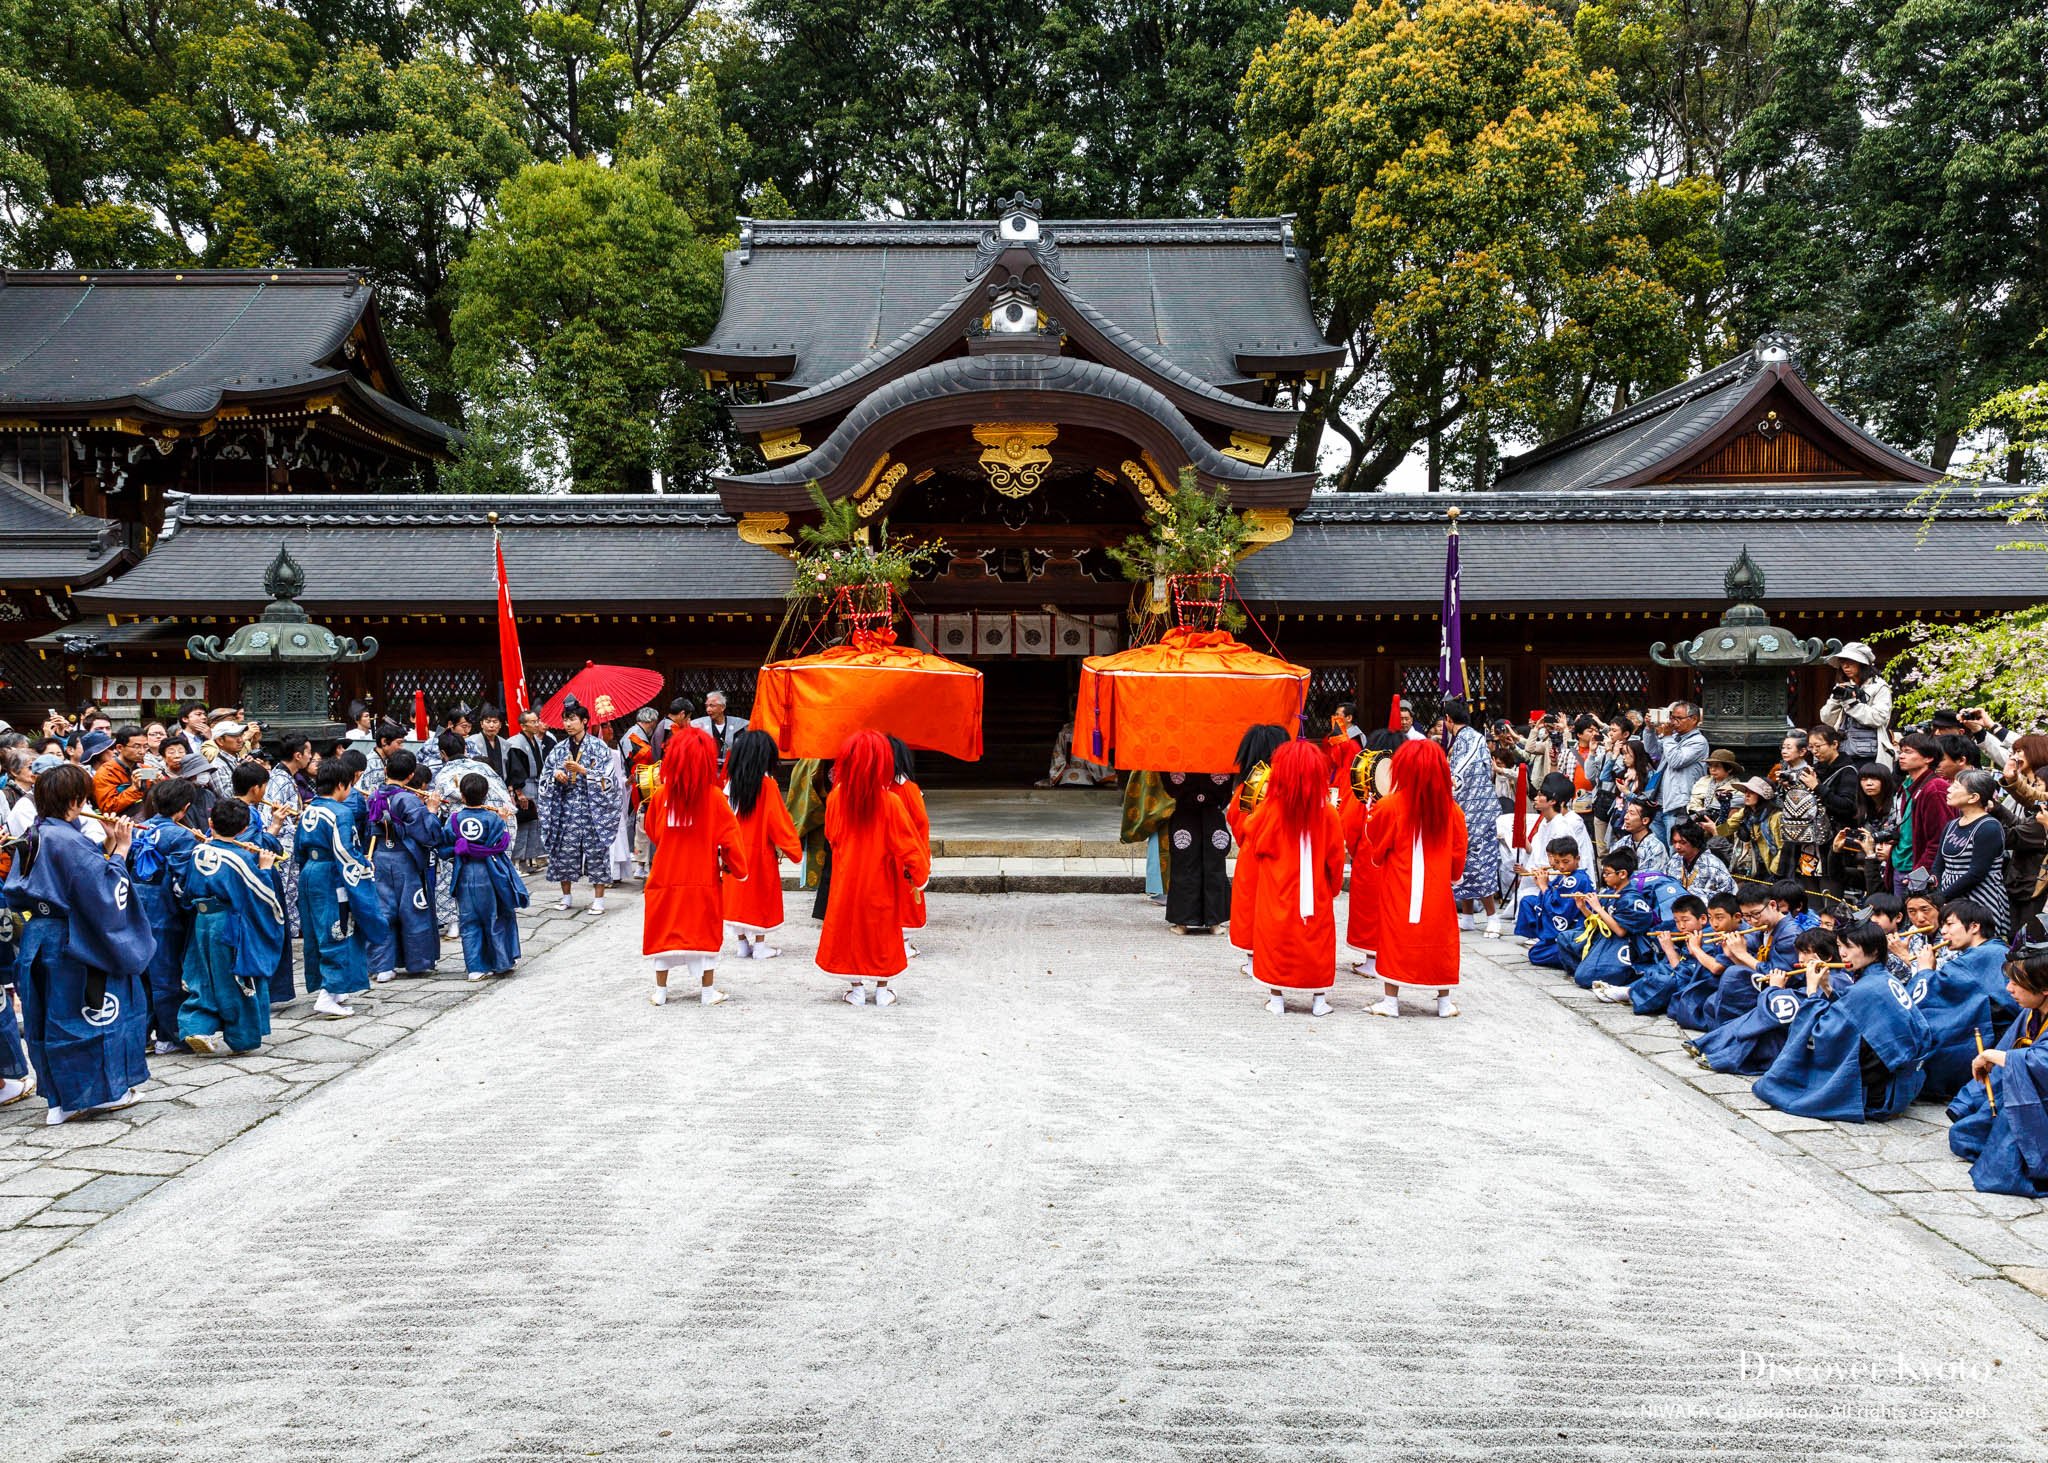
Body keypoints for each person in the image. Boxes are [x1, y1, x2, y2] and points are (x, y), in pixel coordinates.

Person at [3, 762, 155, 1124]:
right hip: (74, 941)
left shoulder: (36, 832)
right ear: (75, 800)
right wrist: (120, 851)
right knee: (88, 1016)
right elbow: (103, 891)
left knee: (50, 1019)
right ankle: (92, 1095)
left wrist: (105, 843)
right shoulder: (67, 839)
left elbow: (61, 879)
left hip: (39, 937)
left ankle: (59, 1099)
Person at [1754, 923, 1934, 1122]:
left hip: (1882, 1090)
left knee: (1784, 1081)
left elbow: (1822, 1032)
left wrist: (1812, 991)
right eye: (1840, 947)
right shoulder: (1884, 978)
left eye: (1849, 947)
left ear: (1873, 950)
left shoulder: (1867, 988)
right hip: (1903, 1083)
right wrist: (1827, 988)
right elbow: (1848, 1011)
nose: (1843, 954)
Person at [816, 731, 929, 1007]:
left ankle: (855, 989)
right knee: (882, 931)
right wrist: (919, 875)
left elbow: (832, 836)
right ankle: (882, 988)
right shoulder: (890, 801)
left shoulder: (836, 798)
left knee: (849, 930)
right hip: (881, 878)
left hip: (846, 878)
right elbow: (908, 844)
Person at [1243, 739, 1346, 1017]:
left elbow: (1251, 833)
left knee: (1276, 938)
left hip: (1277, 889)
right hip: (1315, 890)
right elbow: (1336, 859)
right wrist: (1333, 887)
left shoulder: (1271, 810)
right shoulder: (1329, 813)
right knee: (1317, 940)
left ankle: (1276, 996)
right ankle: (1318, 998)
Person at [1364, 738, 1466, 1018]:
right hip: (1437, 889)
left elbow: (1377, 843)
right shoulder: (1452, 810)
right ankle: (1444, 1002)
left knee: (1395, 936)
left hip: (1400, 884)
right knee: (1441, 938)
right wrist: (1453, 877)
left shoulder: (1390, 805)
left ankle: (1390, 1001)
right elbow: (1458, 854)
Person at [175, 798, 286, 1055]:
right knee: (235, 980)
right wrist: (265, 869)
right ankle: (240, 1037)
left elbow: (186, 888)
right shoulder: (239, 859)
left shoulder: (198, 851)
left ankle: (196, 1026)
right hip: (228, 926)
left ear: (210, 823)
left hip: (201, 922)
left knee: (201, 976)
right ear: (243, 828)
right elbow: (261, 896)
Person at [641, 727, 743, 1005]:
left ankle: (661, 992)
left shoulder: (662, 797)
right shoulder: (714, 798)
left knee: (663, 932)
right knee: (704, 933)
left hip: (665, 875)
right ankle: (707, 992)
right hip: (701, 877)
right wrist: (738, 869)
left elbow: (653, 832)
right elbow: (731, 840)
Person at [1947, 930, 2048, 1198]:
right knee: (1963, 1136)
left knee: (2004, 1171)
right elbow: (2009, 1054)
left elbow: (2041, 1063)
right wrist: (1966, 1102)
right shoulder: (2030, 1012)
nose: (2009, 989)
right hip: (2026, 1098)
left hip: (2041, 1106)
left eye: (2018, 983)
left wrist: (1992, 1056)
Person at [295, 755, 380, 1020]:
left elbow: (299, 847)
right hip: (333, 875)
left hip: (310, 871)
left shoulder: (310, 809)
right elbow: (345, 851)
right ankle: (328, 993)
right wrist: (364, 868)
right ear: (342, 785)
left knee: (318, 930)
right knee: (339, 929)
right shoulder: (341, 813)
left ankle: (336, 988)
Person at [1691, 926, 1840, 1075]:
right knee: (1753, 1015)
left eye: (1806, 953)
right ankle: (1710, 1046)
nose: (1800, 959)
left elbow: (1782, 1009)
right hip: (1799, 1028)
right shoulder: (1827, 976)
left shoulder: (1837, 980)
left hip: (1811, 1041)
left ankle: (1720, 1054)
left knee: (1763, 1027)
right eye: (1799, 953)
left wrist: (1775, 988)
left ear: (1827, 957)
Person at [131, 775, 202, 1055]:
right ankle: (169, 1034)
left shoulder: (138, 828)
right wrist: (189, 906)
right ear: (184, 808)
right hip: (163, 908)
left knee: (143, 974)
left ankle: (143, 1033)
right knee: (167, 974)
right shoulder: (181, 835)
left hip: (136, 905)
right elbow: (182, 880)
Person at [721, 728, 801, 961]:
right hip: (759, 852)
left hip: (733, 852)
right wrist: (794, 850)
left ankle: (742, 943)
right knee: (760, 896)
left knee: (737, 897)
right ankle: (760, 945)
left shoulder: (729, 785)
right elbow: (779, 823)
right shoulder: (768, 786)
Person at [366, 750, 442, 983]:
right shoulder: (407, 799)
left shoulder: (373, 795)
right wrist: (431, 810)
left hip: (380, 855)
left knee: (383, 911)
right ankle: (417, 961)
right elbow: (427, 834)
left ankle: (382, 966)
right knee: (412, 910)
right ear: (411, 775)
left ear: (386, 770)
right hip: (404, 859)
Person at [446, 773, 529, 983]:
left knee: (468, 920)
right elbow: (502, 842)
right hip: (490, 872)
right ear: (485, 796)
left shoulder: (454, 819)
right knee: (495, 916)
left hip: (464, 871)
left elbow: (446, 846)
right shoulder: (493, 818)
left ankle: (474, 967)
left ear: (462, 795)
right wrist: (502, 820)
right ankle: (500, 961)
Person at [539, 697, 619, 915]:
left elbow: (610, 780)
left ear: (584, 721)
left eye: (572, 719)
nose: (567, 724)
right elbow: (545, 777)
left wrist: (584, 771)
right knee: (564, 852)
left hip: (594, 810)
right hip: (567, 809)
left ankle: (599, 899)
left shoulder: (599, 747)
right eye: (565, 720)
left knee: (596, 852)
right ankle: (566, 896)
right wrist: (556, 775)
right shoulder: (558, 749)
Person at [1226, 723, 1290, 979]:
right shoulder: (1289, 784)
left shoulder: (1248, 788)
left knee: (1250, 905)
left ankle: (1253, 958)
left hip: (1254, 854)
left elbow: (1236, 818)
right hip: (1286, 856)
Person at [1442, 699, 1501, 937]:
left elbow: (1458, 775)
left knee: (1479, 864)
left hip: (1479, 813)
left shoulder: (1472, 739)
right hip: (1464, 810)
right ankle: (1467, 916)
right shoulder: (1467, 739)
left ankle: (1492, 917)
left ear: (1448, 720)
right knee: (1461, 862)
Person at [1934, 768, 2010, 939]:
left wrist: (1942, 896)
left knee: (1979, 942)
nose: (1948, 790)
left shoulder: (1989, 827)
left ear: (1974, 797)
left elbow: (1976, 873)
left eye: (1956, 787)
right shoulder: (1951, 825)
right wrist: (1937, 890)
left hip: (1981, 898)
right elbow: (1938, 864)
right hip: (1950, 897)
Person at [1579, 848, 1661, 996]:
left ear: (1622, 874)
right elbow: (1601, 924)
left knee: (1584, 977)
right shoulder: (1611, 893)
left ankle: (1626, 976)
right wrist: (1583, 907)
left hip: (1627, 944)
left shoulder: (1632, 900)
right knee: (1566, 941)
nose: (1604, 877)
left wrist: (1598, 908)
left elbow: (1620, 931)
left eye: (1607, 873)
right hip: (1606, 938)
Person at [1163, 768, 1233, 935]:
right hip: (1207, 811)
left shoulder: (1178, 753)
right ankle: (1212, 922)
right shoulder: (1221, 752)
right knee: (1206, 864)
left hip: (1189, 812)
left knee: (1191, 864)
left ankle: (1184, 922)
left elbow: (1170, 785)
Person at [1622, 893, 1710, 1017]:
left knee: (1667, 980)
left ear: (1703, 919)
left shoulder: (1706, 938)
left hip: (1697, 988)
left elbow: (1684, 975)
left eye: (1685, 920)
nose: (1681, 926)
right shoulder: (1692, 934)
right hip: (1687, 978)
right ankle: (1630, 991)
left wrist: (1669, 949)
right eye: (1677, 921)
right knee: (1659, 968)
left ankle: (1630, 993)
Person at [1890, 733, 1955, 895]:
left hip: (1919, 870)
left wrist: (1920, 874)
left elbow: (1940, 839)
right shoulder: (1907, 783)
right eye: (1901, 751)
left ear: (1928, 758)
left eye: (1908, 751)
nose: (1902, 756)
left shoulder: (1935, 788)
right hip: (1901, 864)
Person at [1519, 836, 1594, 973]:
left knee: (1536, 954)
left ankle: (1571, 953)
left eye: (1566, 861)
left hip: (1572, 927)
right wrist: (1543, 882)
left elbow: (1559, 909)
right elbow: (1554, 895)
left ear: (1577, 859)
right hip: (1560, 922)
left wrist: (1543, 886)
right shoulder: (1563, 875)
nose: (1561, 866)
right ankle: (1545, 938)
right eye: (1557, 862)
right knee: (1527, 901)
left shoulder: (1577, 879)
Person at [888, 737, 931, 958]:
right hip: (905, 853)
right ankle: (902, 943)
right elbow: (921, 824)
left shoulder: (883, 788)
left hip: (886, 853)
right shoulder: (908, 789)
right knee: (904, 900)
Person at [1818, 641, 1893, 765]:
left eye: (1851, 662)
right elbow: (1826, 719)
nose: (1845, 666)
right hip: (1843, 750)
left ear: (1862, 664)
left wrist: (1852, 704)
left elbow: (1879, 718)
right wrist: (1836, 699)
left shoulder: (1879, 687)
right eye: (1842, 662)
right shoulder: (1843, 687)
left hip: (1869, 754)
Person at [1642, 701, 1708, 841]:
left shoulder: (1698, 742)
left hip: (1678, 806)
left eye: (1679, 718)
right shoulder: (1674, 738)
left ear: (1694, 719)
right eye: (1672, 717)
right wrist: (1649, 729)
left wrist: (1667, 736)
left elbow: (1676, 760)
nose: (1674, 722)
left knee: (1675, 848)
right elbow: (1652, 751)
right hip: (1659, 803)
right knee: (1660, 848)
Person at [506, 710, 552, 871]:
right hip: (524, 786)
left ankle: (528, 860)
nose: (537, 724)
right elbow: (515, 769)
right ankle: (516, 862)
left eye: (537, 721)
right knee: (523, 823)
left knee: (534, 823)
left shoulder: (537, 741)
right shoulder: (516, 743)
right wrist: (519, 792)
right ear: (523, 726)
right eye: (533, 722)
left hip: (537, 784)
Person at [1723, 777, 1788, 883]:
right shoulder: (1747, 812)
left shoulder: (1776, 816)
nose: (1747, 795)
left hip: (1775, 870)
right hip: (1756, 866)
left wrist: (1774, 873)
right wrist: (1724, 807)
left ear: (1763, 796)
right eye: (1746, 792)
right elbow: (1724, 830)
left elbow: (1783, 847)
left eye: (1752, 792)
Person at [1607, 797, 1673, 877]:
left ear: (1645, 820)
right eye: (1627, 812)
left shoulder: (1656, 848)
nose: (1625, 817)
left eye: (1631, 813)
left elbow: (1653, 880)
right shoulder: (1621, 843)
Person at [1669, 819, 1733, 900]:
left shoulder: (1713, 865)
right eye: (1674, 842)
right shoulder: (1675, 859)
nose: (1677, 846)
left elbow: (1727, 895)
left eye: (1683, 842)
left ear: (1694, 842)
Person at [92, 726, 148, 816]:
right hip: (120, 823)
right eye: (136, 747)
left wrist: (160, 784)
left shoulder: (146, 769)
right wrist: (134, 789)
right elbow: (108, 808)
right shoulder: (106, 773)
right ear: (120, 747)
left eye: (145, 746)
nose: (142, 751)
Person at [691, 690, 749, 769]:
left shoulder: (739, 725)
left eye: (712, 706)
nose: (708, 709)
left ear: (722, 707)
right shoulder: (698, 725)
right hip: (707, 770)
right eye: (706, 706)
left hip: (731, 771)